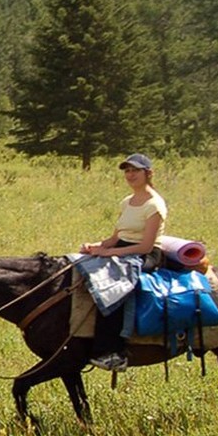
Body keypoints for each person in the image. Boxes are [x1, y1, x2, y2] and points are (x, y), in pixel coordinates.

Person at [79, 152, 167, 372]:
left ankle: (115, 350)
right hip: (122, 249)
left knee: (114, 287)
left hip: (145, 255)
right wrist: (95, 246)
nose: (130, 174)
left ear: (148, 173)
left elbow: (146, 246)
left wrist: (110, 253)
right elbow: (115, 238)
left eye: (135, 170)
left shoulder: (154, 205)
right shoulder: (127, 202)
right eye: (127, 170)